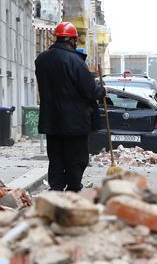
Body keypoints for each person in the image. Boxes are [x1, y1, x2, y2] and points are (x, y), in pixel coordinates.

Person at [35, 22, 105, 192]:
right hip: (75, 121)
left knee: (56, 157)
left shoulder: (42, 59)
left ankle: (57, 188)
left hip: (52, 120)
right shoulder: (75, 61)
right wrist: (101, 91)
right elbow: (89, 90)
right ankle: (73, 188)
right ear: (72, 40)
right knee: (76, 158)